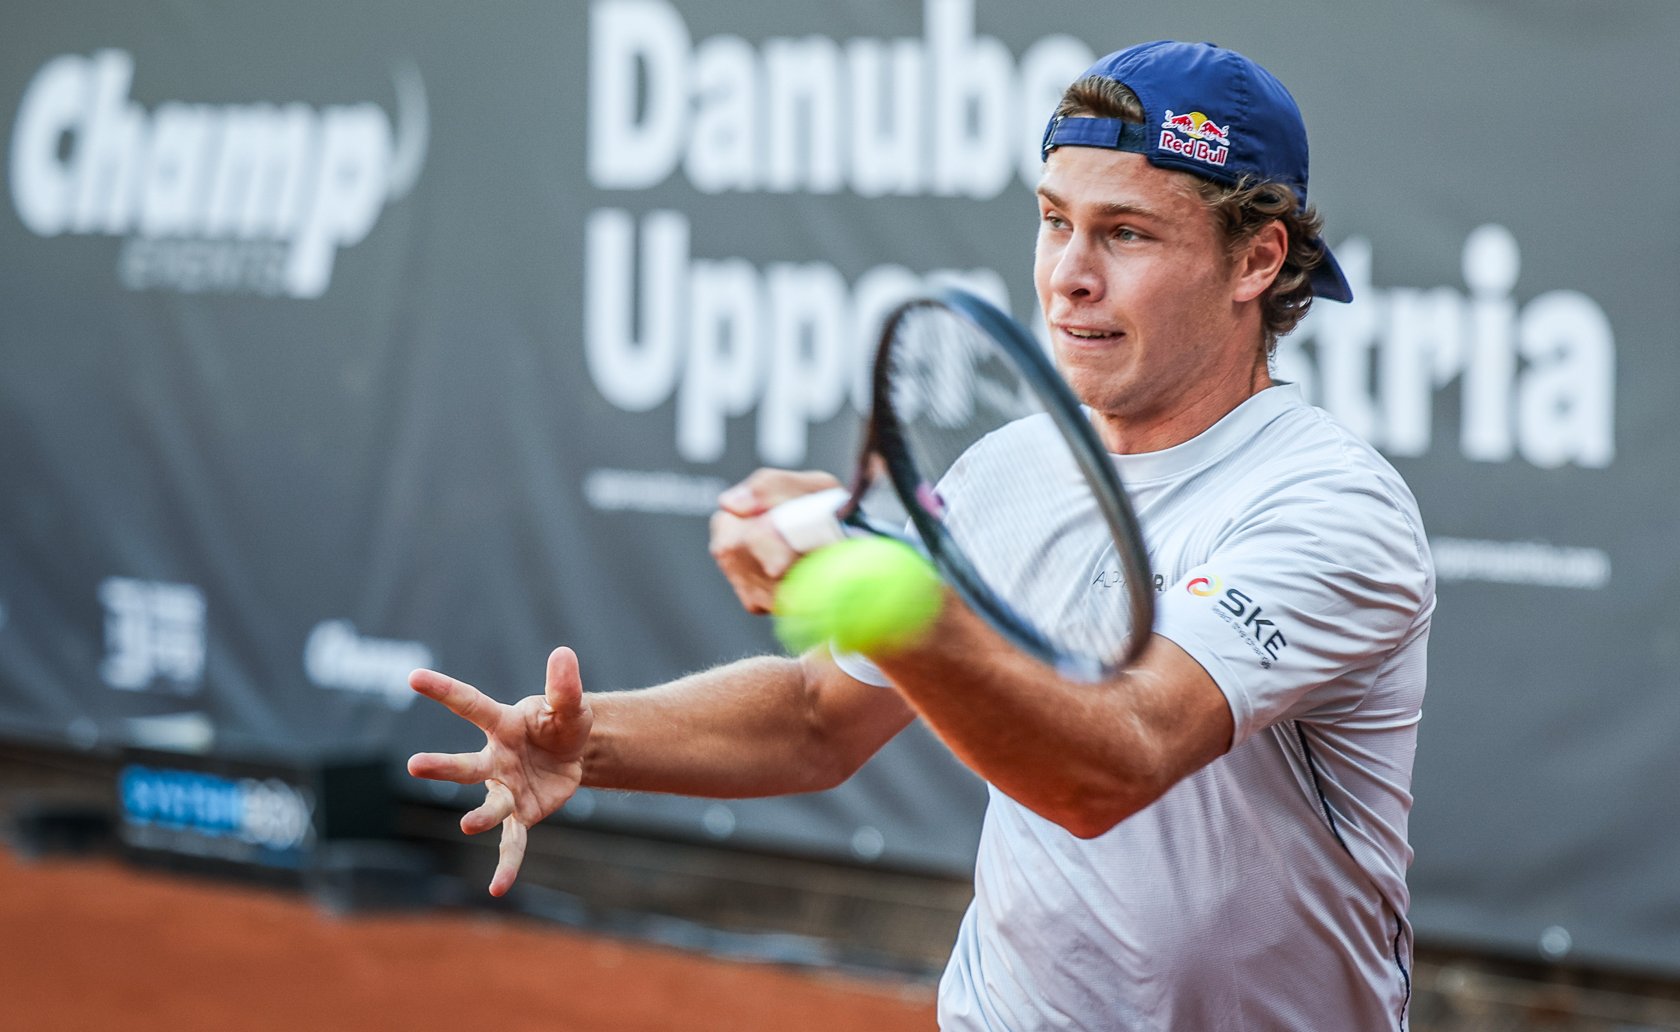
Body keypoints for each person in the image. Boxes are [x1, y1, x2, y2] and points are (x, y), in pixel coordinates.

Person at [407, 40, 1433, 1031]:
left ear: (1255, 259)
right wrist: (590, 742)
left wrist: (888, 599)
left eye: (1125, 234)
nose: (1069, 275)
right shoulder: (1006, 470)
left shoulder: (1330, 508)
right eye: (1054, 221)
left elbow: (1112, 765)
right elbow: (817, 717)